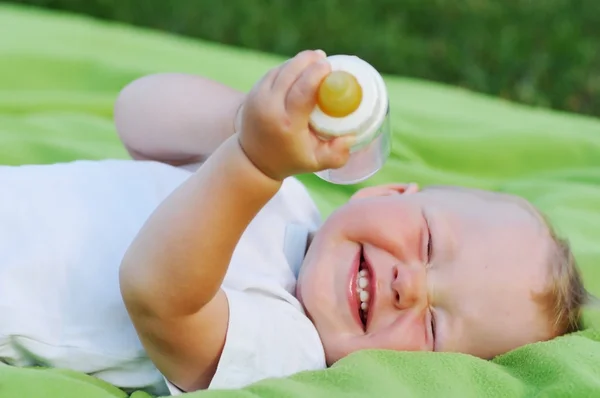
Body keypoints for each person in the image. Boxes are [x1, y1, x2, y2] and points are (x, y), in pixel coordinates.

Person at [0, 50, 588, 397]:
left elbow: (158, 296)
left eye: (434, 325)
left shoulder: (285, 347)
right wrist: (238, 120)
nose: (413, 285)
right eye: (430, 244)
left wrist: (249, 162)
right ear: (386, 192)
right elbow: (138, 114)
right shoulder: (288, 192)